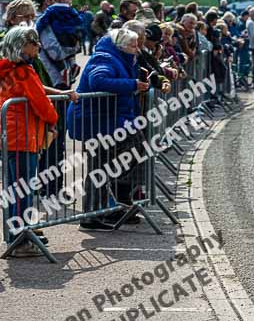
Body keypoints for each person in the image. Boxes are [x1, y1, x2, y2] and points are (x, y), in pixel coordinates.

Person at [67, 28, 150, 231]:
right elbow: (98, 81)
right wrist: (132, 84)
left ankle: (110, 206)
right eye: (133, 45)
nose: (137, 49)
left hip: (109, 121)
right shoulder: (105, 58)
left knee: (110, 164)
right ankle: (92, 215)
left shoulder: (120, 58)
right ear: (121, 45)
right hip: (96, 122)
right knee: (100, 168)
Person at [0, 27, 60, 256]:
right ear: (24, 45)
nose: (38, 47)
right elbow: (41, 102)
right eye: (34, 43)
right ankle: (19, 240)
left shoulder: (7, 69)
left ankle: (16, 236)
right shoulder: (23, 71)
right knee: (22, 190)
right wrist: (54, 118)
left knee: (16, 188)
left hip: (13, 135)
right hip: (22, 136)